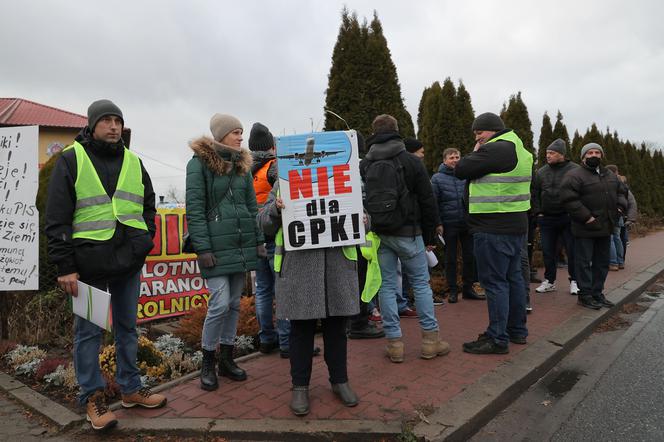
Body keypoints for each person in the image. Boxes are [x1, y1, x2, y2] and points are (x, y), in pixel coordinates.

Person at [45, 99, 166, 431]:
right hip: (88, 267)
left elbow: (148, 207)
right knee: (89, 333)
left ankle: (131, 389)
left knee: (128, 328)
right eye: (107, 121)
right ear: (92, 124)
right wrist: (65, 266)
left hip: (128, 263)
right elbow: (56, 219)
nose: (114, 126)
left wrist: (145, 242)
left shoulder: (134, 162)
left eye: (118, 121)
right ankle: (93, 398)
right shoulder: (72, 159)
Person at [258, 184, 361, 416]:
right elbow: (263, 222)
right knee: (301, 331)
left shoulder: (344, 178)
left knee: (337, 329)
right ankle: (300, 386)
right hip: (298, 270)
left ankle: (340, 381)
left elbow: (364, 217)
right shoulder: (284, 181)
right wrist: (276, 208)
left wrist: (364, 219)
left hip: (337, 268)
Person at [360, 115, 449, 363]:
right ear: (397, 131)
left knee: (387, 286)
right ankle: (431, 341)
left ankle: (394, 344)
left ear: (374, 133)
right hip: (409, 233)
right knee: (421, 284)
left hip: (379, 235)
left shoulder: (365, 164)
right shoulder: (410, 161)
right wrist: (431, 232)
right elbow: (427, 199)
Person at [185, 113, 263, 391]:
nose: (241, 137)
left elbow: (251, 207)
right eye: (235, 132)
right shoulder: (198, 165)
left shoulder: (242, 165)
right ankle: (208, 361)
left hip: (239, 245)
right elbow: (194, 209)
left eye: (241, 132)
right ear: (220, 135)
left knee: (233, 304)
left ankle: (227, 360)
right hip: (215, 247)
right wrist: (203, 248)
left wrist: (258, 240)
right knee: (219, 303)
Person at [455, 112, 533, 354]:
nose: (478, 138)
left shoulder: (496, 149)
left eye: (480, 133)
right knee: (513, 279)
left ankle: (497, 338)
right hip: (515, 225)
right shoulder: (520, 149)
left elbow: (461, 168)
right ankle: (517, 331)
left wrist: (476, 149)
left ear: (493, 130)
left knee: (494, 283)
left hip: (492, 227)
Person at [560, 143, 627, 309]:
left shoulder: (609, 175)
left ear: (601, 155)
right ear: (583, 157)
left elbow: (622, 192)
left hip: (606, 226)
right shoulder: (574, 175)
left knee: (602, 262)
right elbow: (569, 199)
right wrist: (587, 217)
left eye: (597, 152)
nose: (594, 155)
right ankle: (585, 295)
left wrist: (619, 208)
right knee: (583, 263)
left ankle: (597, 293)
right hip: (585, 227)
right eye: (590, 153)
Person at [248, 122, 291, 355]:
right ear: (271, 146)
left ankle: (266, 339)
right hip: (275, 235)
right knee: (281, 288)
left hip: (254, 239)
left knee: (262, 290)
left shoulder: (244, 170)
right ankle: (287, 342)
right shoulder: (274, 168)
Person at [431, 147, 483, 303]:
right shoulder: (437, 179)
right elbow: (434, 203)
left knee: (470, 256)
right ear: (444, 160)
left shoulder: (466, 176)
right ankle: (453, 290)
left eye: (457, 157)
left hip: (467, 223)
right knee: (450, 258)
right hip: (449, 223)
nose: (455, 160)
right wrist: (438, 223)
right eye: (451, 157)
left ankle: (468, 288)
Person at [531, 139, 580, 295]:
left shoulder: (575, 170)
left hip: (568, 218)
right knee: (548, 251)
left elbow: (581, 193)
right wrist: (538, 212)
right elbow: (535, 193)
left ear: (562, 154)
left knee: (572, 251)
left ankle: (575, 281)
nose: (548, 156)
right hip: (547, 219)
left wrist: (576, 212)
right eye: (547, 153)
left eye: (552, 153)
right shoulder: (541, 172)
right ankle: (550, 281)